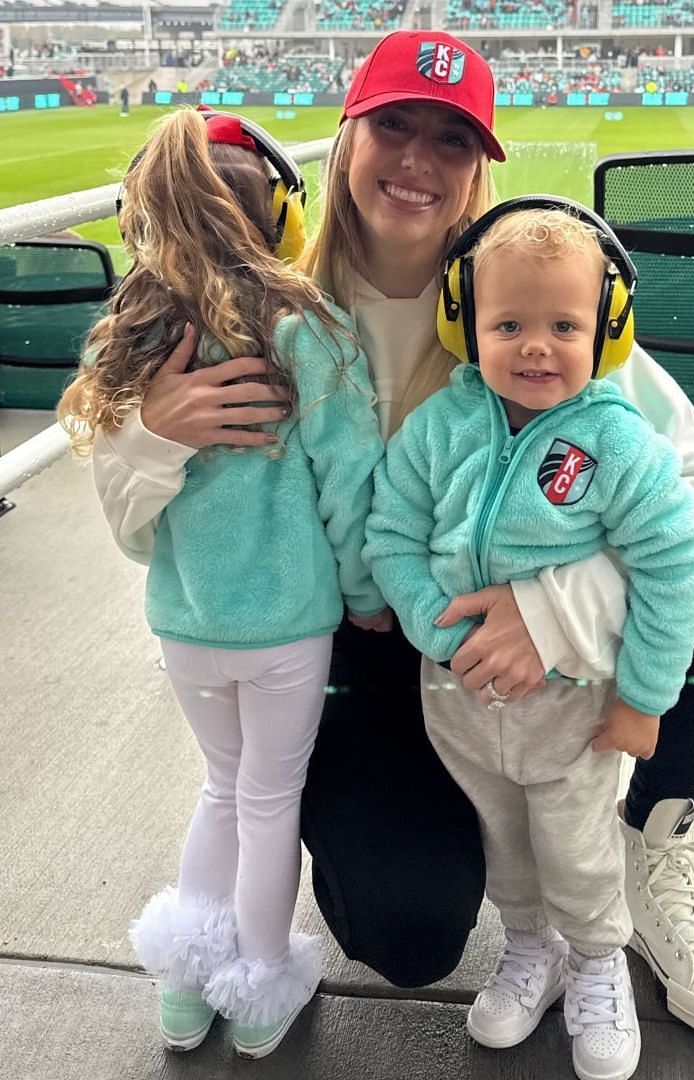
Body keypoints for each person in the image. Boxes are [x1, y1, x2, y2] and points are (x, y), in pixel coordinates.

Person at [80, 29, 694, 1041]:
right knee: (406, 934)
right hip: (349, 651)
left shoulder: (517, 299)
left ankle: (646, 844)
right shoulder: (264, 309)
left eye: (451, 141)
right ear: (346, 140)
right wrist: (153, 437)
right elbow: (142, 537)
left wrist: (559, 611)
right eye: (395, 126)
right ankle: (476, 871)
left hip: (498, 643)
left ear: (480, 170)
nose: (418, 160)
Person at [59, 108, 384, 1058]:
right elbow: (349, 485)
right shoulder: (307, 327)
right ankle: (256, 988)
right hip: (286, 627)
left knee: (223, 786)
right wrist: (365, 591)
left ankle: (184, 988)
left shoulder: (126, 335)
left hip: (184, 623)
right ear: (278, 216)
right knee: (269, 798)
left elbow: (119, 488)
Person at [368, 200, 694, 1080]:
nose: (534, 346)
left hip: (574, 710)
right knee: (504, 845)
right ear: (464, 324)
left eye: (564, 325)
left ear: (607, 329)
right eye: (508, 323)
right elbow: (392, 538)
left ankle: (597, 960)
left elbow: (673, 571)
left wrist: (642, 699)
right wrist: (431, 627)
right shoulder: (437, 428)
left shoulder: (619, 446)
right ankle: (531, 948)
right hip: (459, 704)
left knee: (580, 849)